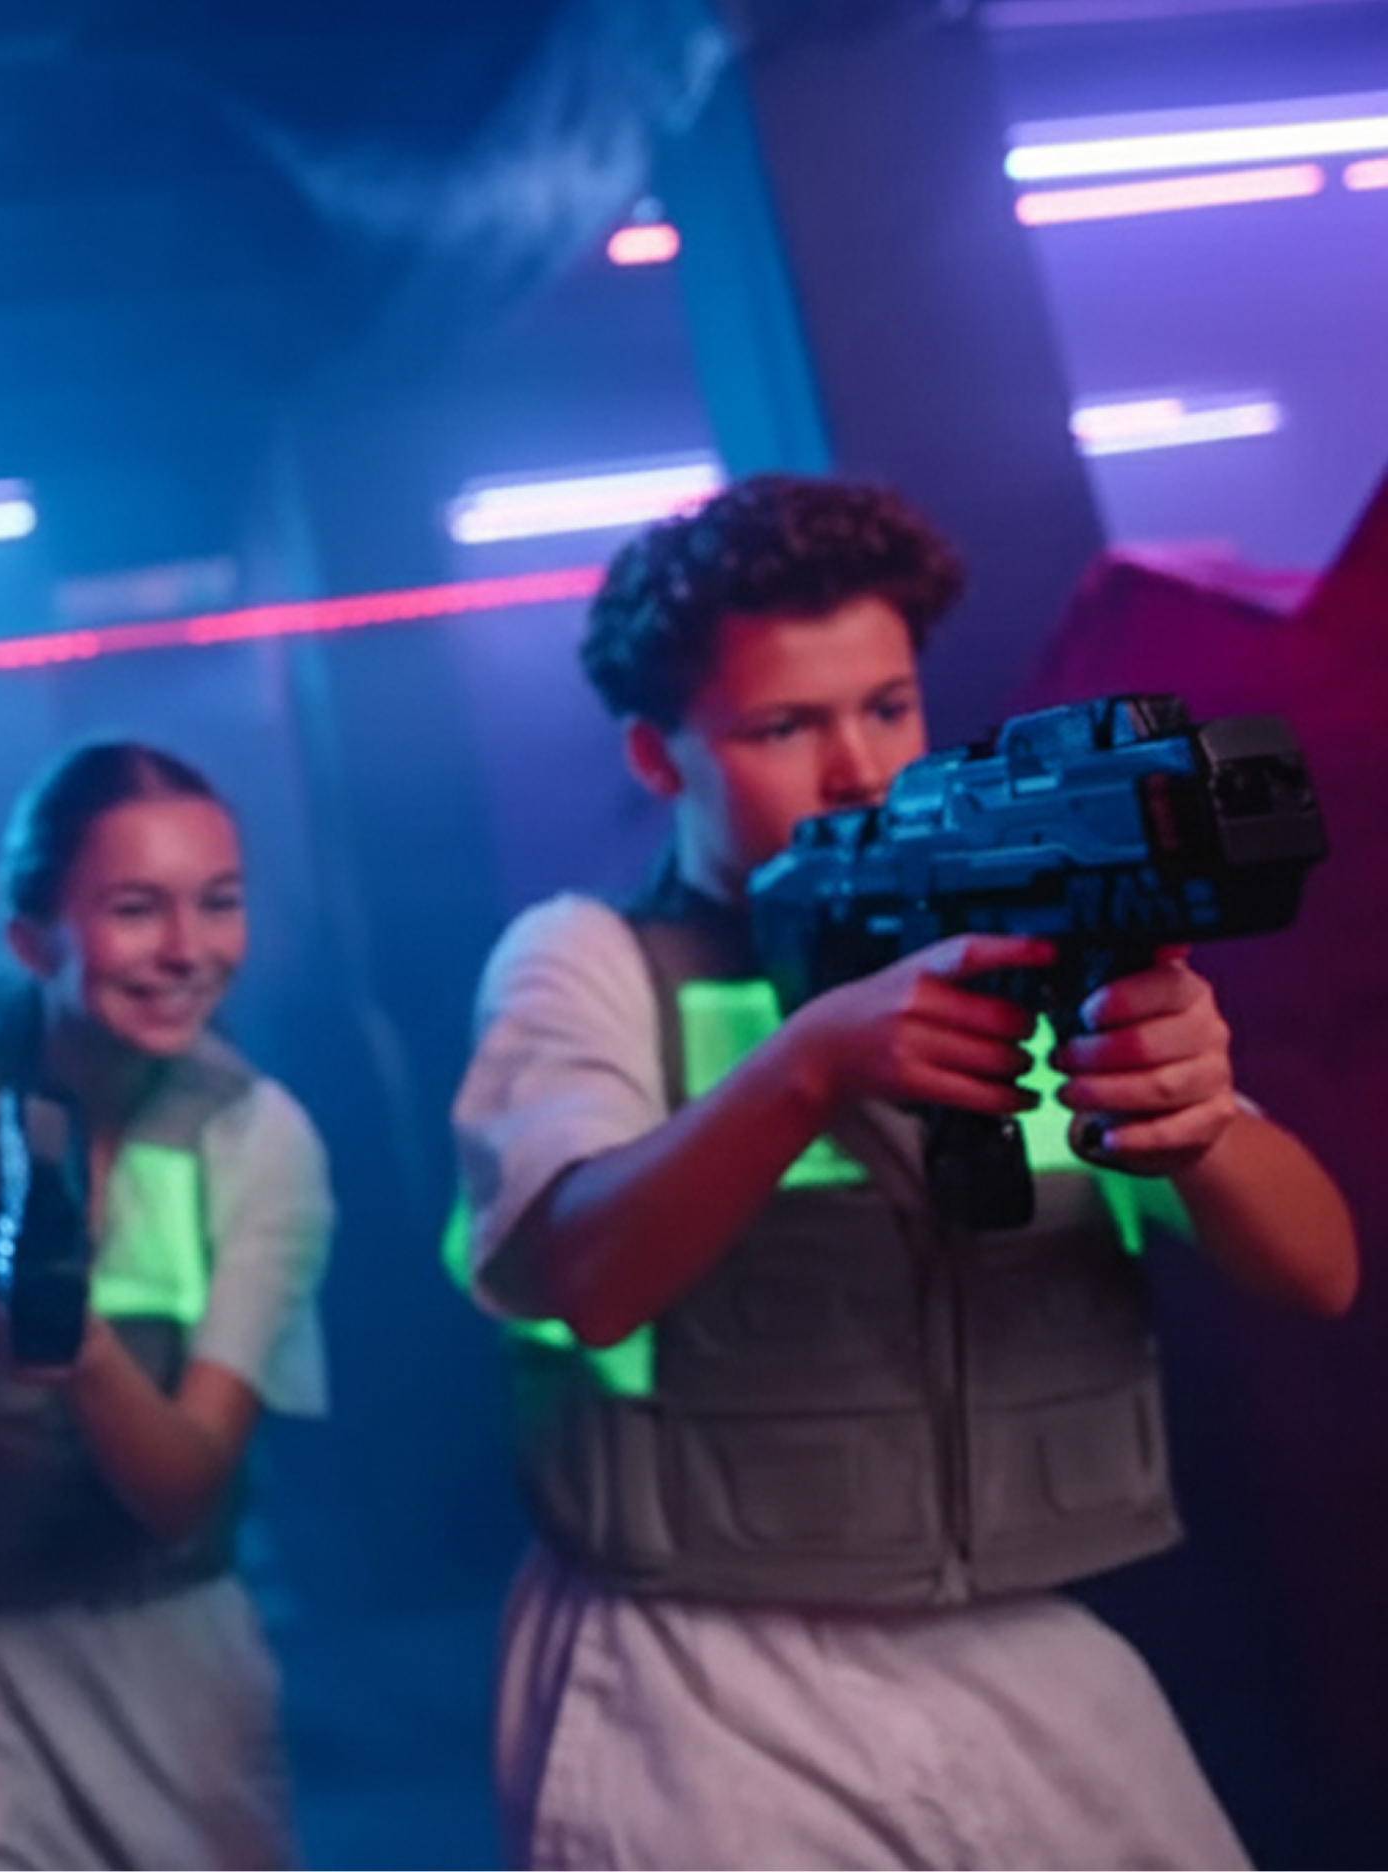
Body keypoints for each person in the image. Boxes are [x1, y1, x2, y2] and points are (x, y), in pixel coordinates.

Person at [449, 472, 1359, 1870]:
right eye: (780, 727)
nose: (859, 771)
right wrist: (804, 1068)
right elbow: (576, 1275)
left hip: (1022, 1639)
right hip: (697, 1671)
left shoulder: (1030, 942)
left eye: (887, 707)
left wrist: (1199, 1118)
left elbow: (1320, 1273)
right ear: (655, 754)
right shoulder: (591, 961)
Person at [0, 742, 334, 1872]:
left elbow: (184, 1486)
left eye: (217, 904)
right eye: (133, 908)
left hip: (158, 1647)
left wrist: (70, 1341)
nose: (185, 950)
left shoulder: (255, 1139)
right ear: (29, 937)